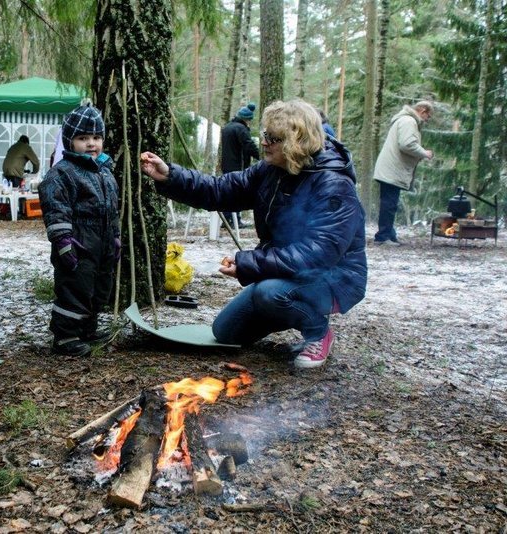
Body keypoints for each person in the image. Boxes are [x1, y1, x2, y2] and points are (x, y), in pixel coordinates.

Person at [141, 99, 367, 369]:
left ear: (295, 141)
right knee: (225, 331)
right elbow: (221, 189)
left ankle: (318, 332)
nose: (263, 142)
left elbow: (316, 255)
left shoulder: (333, 185)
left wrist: (249, 264)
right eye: (264, 135)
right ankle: (288, 309)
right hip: (285, 273)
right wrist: (170, 177)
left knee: (270, 294)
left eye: (272, 138)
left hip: (334, 280)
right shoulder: (272, 170)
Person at [38, 102, 120, 357]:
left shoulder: (105, 171)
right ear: (70, 140)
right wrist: (63, 240)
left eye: (96, 137)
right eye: (83, 138)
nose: (91, 144)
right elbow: (56, 208)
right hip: (78, 242)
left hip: (103, 242)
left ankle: (87, 328)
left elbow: (113, 207)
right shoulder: (62, 173)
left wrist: (115, 236)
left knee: (99, 287)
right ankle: (65, 336)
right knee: (75, 288)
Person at [373, 101, 434, 246]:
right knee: (389, 204)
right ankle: (382, 237)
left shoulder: (404, 120)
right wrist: (424, 153)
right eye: (428, 116)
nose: (427, 120)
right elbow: (407, 144)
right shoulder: (409, 121)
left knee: (391, 203)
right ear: (423, 111)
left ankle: (389, 233)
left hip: (391, 168)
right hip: (392, 169)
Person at [221, 103, 260, 228]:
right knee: (236, 193)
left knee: (227, 192)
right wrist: (261, 156)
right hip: (238, 165)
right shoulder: (241, 129)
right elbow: (248, 145)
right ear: (246, 119)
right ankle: (234, 221)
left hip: (227, 165)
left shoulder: (227, 127)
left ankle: (227, 220)